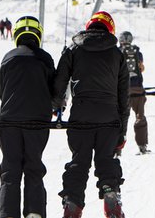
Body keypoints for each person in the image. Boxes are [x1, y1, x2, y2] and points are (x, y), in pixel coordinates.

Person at [53, 11, 129, 218]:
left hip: (81, 117)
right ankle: (110, 193)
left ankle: (72, 204)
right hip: (109, 118)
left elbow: (60, 81)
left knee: (79, 162)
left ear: (89, 27)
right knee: (106, 160)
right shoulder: (118, 54)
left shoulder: (73, 50)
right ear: (110, 28)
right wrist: (122, 132)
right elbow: (124, 98)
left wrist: (56, 105)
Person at [0, 16, 55, 218]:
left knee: (10, 171)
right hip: (38, 123)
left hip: (9, 122)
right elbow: (54, 91)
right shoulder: (45, 58)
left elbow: (2, 90)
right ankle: (35, 212)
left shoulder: (8, 57)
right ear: (38, 35)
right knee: (34, 168)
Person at [118, 31, 149, 155]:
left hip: (122, 91)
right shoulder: (138, 53)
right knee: (140, 117)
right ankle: (142, 146)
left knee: (120, 119)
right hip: (138, 90)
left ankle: (117, 148)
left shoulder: (117, 52)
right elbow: (141, 68)